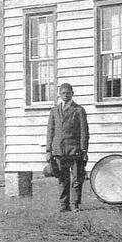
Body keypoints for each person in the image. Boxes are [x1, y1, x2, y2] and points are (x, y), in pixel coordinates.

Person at [46, 83, 89, 213]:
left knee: (77, 178)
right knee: (62, 179)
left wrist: (84, 149)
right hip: (59, 150)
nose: (65, 95)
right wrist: (48, 150)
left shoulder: (79, 110)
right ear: (59, 94)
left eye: (68, 93)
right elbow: (50, 132)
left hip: (75, 150)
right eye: (63, 93)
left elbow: (84, 131)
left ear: (72, 94)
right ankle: (64, 205)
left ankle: (75, 204)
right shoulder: (54, 111)